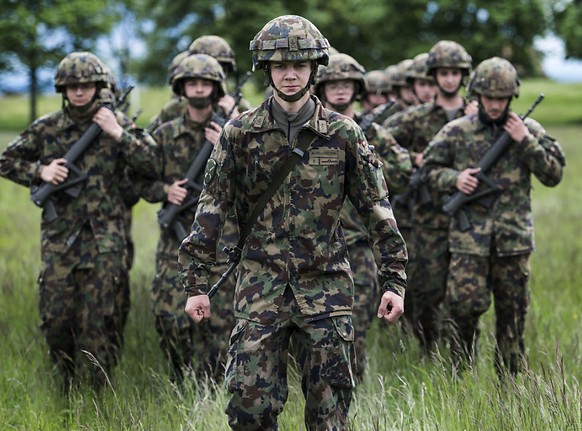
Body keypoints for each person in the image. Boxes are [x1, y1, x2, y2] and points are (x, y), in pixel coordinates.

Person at [178, 15, 407, 430]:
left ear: (314, 69)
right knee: (249, 412)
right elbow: (211, 208)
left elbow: (377, 209)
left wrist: (394, 281)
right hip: (259, 290)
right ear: (266, 69)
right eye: (280, 66)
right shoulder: (240, 134)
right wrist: (196, 284)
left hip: (325, 289)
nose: (289, 75)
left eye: (298, 65)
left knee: (329, 417)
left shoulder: (343, 134)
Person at [0, 51, 160, 391]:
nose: (79, 91)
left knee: (101, 319)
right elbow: (6, 159)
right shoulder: (47, 128)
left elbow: (153, 164)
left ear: (98, 87)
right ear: (62, 88)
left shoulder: (117, 123)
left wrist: (118, 133)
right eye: (72, 85)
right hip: (60, 239)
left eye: (87, 85)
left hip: (106, 240)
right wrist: (39, 170)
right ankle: (64, 381)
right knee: (56, 318)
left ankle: (98, 391)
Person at [422, 57, 565, 376]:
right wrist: (454, 179)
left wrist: (525, 142)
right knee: (463, 310)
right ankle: (459, 378)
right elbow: (428, 170)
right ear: (477, 95)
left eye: (502, 98)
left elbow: (553, 174)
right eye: (490, 97)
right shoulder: (457, 131)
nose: (496, 104)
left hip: (513, 242)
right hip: (468, 241)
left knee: (513, 317)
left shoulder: (528, 131)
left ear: (511, 97)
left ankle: (510, 385)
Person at [313, 52, 412, 381]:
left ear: (357, 88)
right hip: (319, 241)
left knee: (357, 318)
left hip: (359, 241)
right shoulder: (312, 132)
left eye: (346, 85)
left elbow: (403, 173)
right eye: (333, 85)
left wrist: (368, 155)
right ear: (322, 88)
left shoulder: (372, 132)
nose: (340, 92)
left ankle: (353, 380)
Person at [139, 53, 236, 384]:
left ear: (215, 88)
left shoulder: (233, 131)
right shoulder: (164, 134)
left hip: (222, 239)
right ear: (181, 87)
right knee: (168, 315)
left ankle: (210, 387)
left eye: (205, 83)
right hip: (176, 239)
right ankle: (179, 378)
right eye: (192, 83)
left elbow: (255, 180)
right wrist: (164, 191)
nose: (198, 89)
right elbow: (135, 178)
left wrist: (225, 145)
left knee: (221, 319)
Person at [384, 40, 473, 356]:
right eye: (442, 73)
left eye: (454, 73)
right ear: (433, 76)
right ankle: (426, 349)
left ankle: (460, 354)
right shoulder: (417, 117)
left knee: (465, 292)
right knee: (426, 288)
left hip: (471, 216)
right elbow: (378, 140)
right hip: (426, 216)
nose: (449, 80)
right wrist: (412, 159)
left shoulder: (475, 116)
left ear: (463, 76)